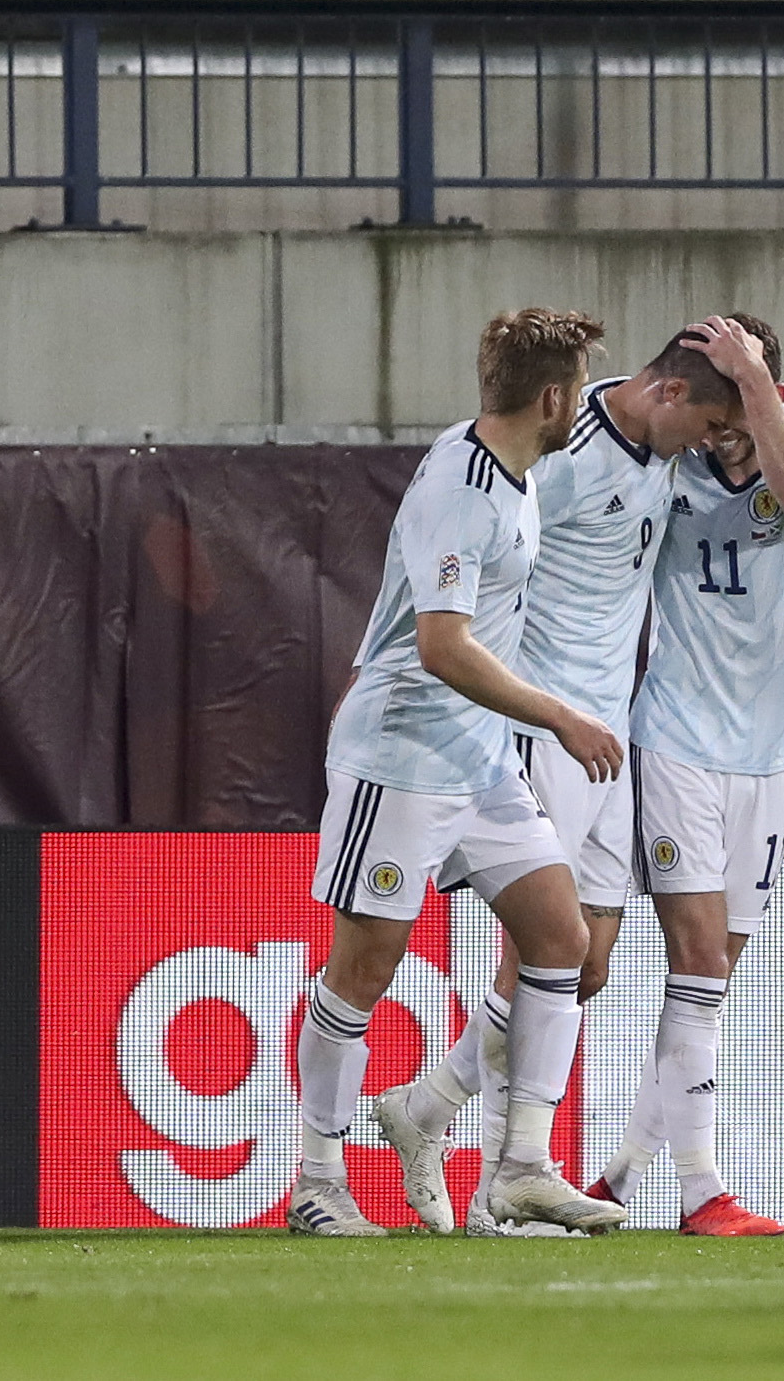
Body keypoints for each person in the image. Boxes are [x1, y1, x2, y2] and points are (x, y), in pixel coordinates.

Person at [375, 320, 784, 1237]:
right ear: (676, 396)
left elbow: (780, 462)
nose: (710, 446)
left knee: (585, 966)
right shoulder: (564, 456)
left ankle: (428, 1110)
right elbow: (462, 513)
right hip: (545, 724)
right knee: (540, 949)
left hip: (611, 734)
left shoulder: (692, 449)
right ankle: (509, 1175)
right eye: (709, 422)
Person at [290, 307, 629, 1237]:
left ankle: (520, 1166)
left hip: (478, 758)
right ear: (552, 397)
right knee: (365, 967)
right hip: (402, 753)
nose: (582, 407)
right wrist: (560, 714)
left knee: (561, 940)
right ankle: (319, 1181)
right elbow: (441, 647)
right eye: (576, 390)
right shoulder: (465, 489)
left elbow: (625, 404)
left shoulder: (513, 459)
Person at [583, 314, 784, 1237]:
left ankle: (613, 1176)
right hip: (676, 740)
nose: (725, 427)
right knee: (694, 967)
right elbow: (613, 417)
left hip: (777, 754)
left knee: (709, 985)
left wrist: (766, 393)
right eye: (721, 405)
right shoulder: (666, 467)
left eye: (747, 404)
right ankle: (701, 1191)